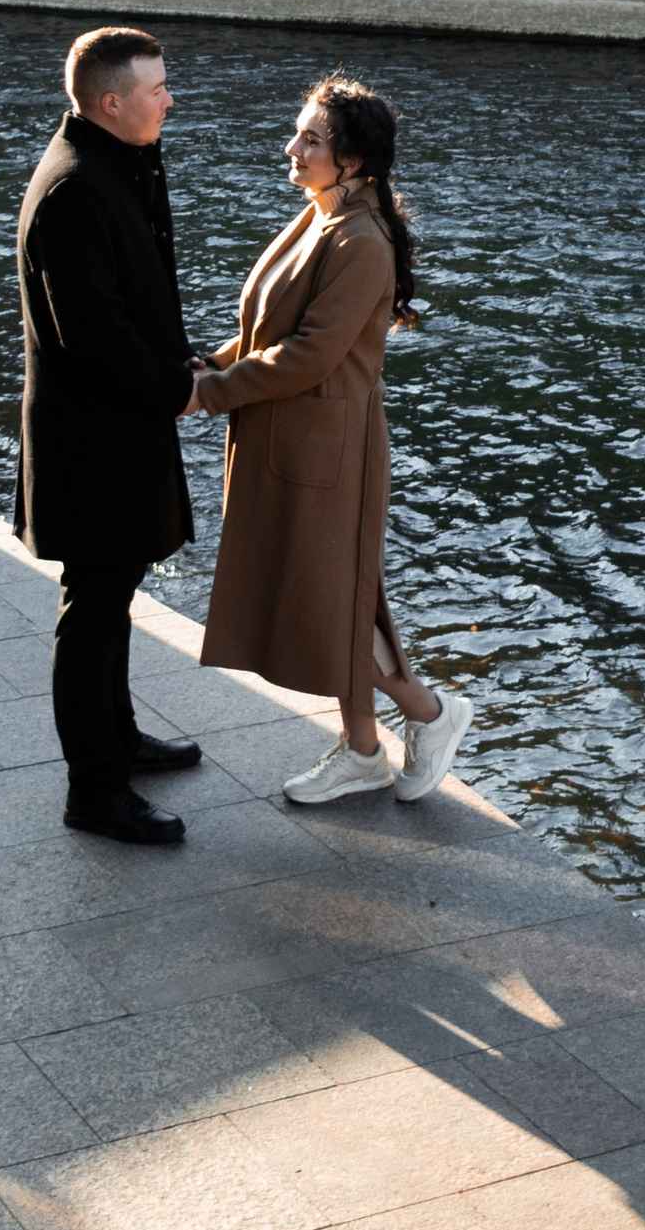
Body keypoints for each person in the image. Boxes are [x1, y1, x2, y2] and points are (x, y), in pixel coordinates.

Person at [194, 72, 474, 806]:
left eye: (311, 140)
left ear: (352, 160)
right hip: (292, 440)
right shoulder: (322, 214)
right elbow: (271, 329)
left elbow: (311, 353)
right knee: (334, 598)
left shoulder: (361, 240)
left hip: (329, 453)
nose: (292, 149)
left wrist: (208, 393)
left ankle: (431, 714)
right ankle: (363, 750)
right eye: (299, 134)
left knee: (331, 604)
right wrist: (212, 365)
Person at [12, 24, 208, 847]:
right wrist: (178, 387)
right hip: (92, 444)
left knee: (110, 598)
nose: (170, 100)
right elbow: (92, 333)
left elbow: (132, 299)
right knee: (92, 610)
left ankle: (117, 740)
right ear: (110, 103)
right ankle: (94, 789)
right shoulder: (76, 189)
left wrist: (175, 361)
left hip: (115, 429)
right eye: (157, 89)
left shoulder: (114, 164)